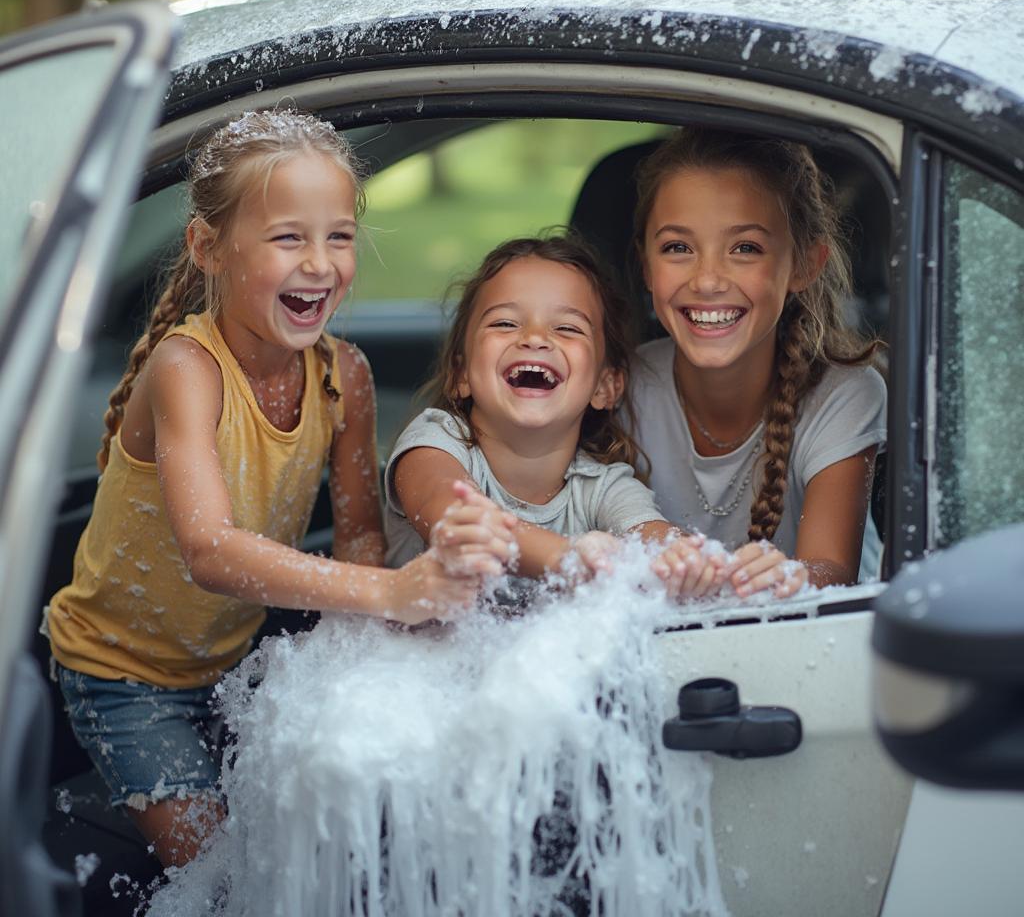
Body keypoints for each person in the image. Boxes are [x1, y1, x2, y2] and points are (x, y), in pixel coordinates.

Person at [46, 109, 478, 867]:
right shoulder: (188, 370)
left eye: (338, 236)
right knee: (221, 879)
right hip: (124, 676)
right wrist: (390, 595)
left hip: (230, 658)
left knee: (314, 842)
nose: (320, 262)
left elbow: (359, 539)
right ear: (207, 247)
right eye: (288, 238)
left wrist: (393, 642)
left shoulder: (345, 376)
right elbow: (209, 551)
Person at [385, 233, 722, 604]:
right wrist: (567, 558)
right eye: (505, 324)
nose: (534, 338)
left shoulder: (603, 486)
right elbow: (449, 512)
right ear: (460, 374)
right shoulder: (434, 444)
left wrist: (689, 563)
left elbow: (652, 536)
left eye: (567, 328)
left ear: (605, 387)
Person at [630, 126, 886, 594]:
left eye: (745, 248)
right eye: (677, 248)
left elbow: (831, 570)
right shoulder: (622, 387)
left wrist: (794, 577)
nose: (708, 280)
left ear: (805, 265)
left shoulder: (844, 393)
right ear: (646, 266)